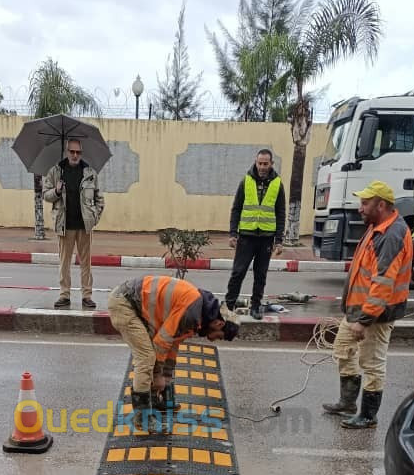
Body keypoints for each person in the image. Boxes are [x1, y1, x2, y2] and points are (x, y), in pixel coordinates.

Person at [322, 181, 413, 430]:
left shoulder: (391, 235)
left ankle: (368, 415)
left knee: (372, 363)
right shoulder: (378, 227)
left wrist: (365, 320)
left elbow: (383, 282)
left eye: (364, 203)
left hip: (376, 314)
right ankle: (348, 403)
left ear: (381, 205)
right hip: (358, 309)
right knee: (342, 349)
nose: (359, 208)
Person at [107, 276, 240, 429]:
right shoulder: (192, 312)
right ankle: (142, 418)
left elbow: (172, 345)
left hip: (134, 304)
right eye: (219, 336)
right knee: (146, 357)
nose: (215, 340)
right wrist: (157, 376)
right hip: (125, 304)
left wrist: (166, 378)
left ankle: (156, 401)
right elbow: (161, 342)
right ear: (219, 323)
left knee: (153, 357)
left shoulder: (198, 315)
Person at [43, 139, 105, 309]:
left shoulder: (89, 172)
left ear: (81, 153)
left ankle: (87, 295)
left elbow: (99, 199)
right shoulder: (56, 172)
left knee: (86, 263)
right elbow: (45, 195)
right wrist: (56, 190)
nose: (75, 155)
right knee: (64, 262)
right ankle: (64, 295)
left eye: (78, 152)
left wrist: (94, 217)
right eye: (72, 151)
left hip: (85, 226)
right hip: (64, 225)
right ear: (67, 151)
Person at [225, 148, 285, 320]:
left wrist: (279, 240)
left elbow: (280, 213)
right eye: (260, 163)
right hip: (246, 237)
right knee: (238, 272)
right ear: (255, 162)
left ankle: (256, 306)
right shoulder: (246, 181)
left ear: (271, 164)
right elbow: (236, 208)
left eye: (266, 164)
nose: (262, 167)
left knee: (261, 275)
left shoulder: (277, 184)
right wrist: (232, 233)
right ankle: (229, 306)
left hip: (266, 238)